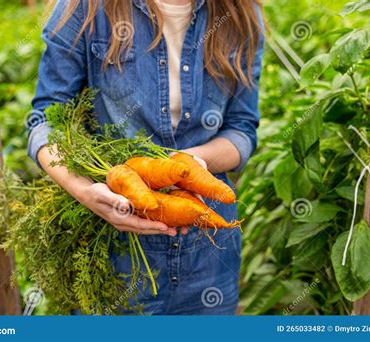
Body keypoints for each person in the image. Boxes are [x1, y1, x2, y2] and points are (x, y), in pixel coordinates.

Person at [27, 0, 264, 314]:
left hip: (208, 251)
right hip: (115, 254)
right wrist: (85, 191)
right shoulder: (87, 9)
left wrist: (188, 165)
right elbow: (45, 122)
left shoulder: (239, 13)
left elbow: (241, 129)